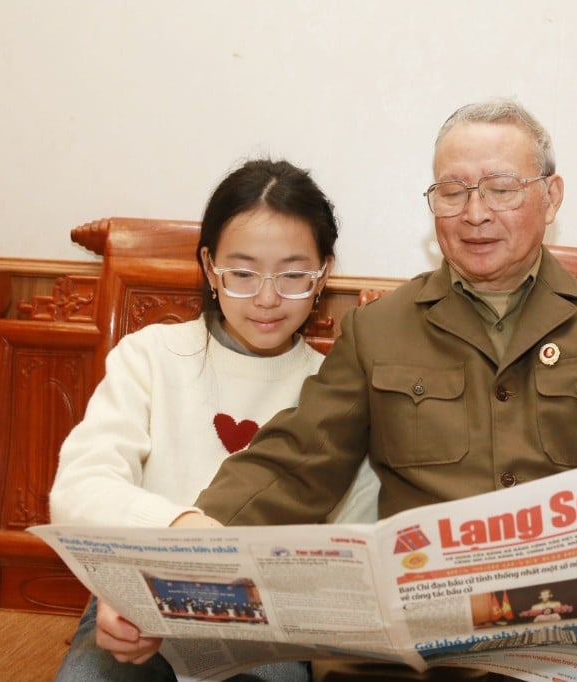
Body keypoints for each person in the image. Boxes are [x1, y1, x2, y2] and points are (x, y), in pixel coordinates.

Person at [177, 99, 577, 677]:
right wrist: (200, 536)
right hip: (423, 652)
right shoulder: (378, 330)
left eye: (501, 188)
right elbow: (297, 461)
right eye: (452, 192)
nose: (475, 213)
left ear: (551, 196)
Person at [48, 158, 378, 681]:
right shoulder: (151, 355)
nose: (267, 298)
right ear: (208, 267)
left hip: (269, 621)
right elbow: (81, 487)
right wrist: (178, 535)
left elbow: (357, 531)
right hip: (138, 599)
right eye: (243, 273)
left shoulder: (336, 385)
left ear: (324, 273)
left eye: (293, 275)